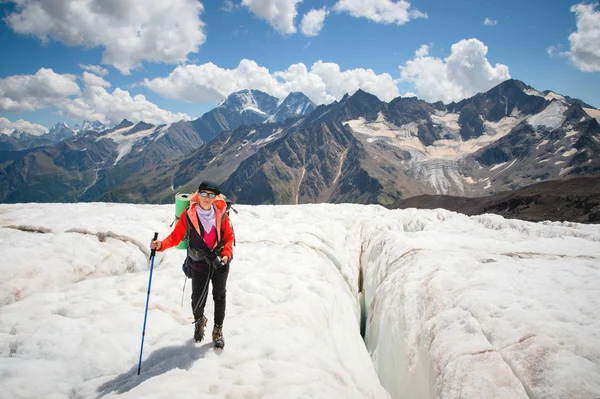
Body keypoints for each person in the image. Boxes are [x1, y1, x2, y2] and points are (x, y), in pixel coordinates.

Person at [150, 181, 234, 348]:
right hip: (199, 262)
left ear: (215, 197)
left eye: (212, 195)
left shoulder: (221, 214)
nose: (207, 198)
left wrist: (225, 257)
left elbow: (228, 238)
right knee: (197, 299)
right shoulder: (188, 215)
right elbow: (175, 237)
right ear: (198, 194)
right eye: (204, 194)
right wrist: (160, 245)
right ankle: (200, 320)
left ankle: (218, 330)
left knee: (219, 295)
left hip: (219, 262)